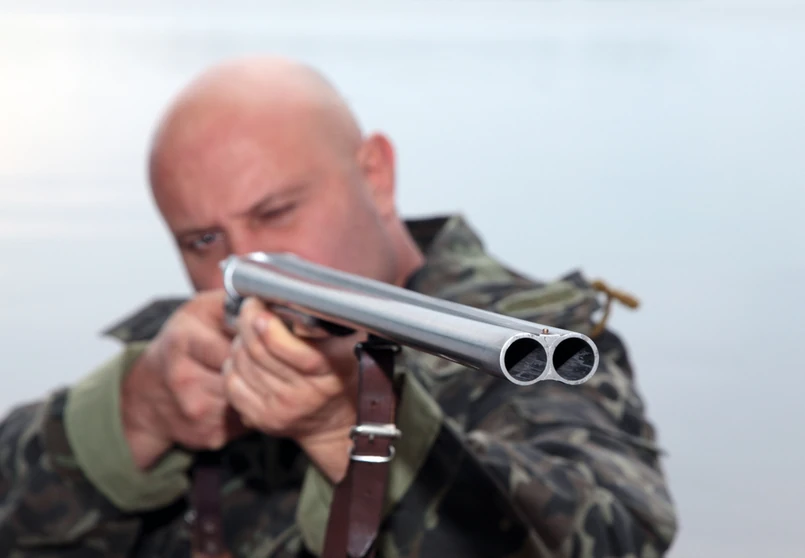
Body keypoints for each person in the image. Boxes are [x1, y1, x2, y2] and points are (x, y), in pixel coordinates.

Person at [0, 56, 677, 557]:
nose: (250, 261)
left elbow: (615, 534)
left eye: (276, 211)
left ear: (375, 175)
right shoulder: (185, 349)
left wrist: (353, 430)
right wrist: (133, 416)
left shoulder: (535, 338)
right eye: (203, 240)